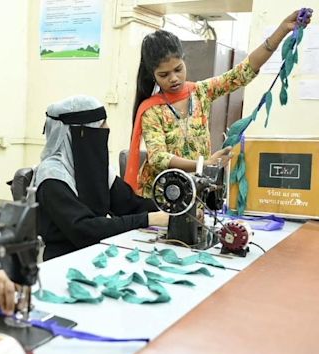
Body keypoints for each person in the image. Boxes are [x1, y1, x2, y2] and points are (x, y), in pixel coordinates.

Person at [125, 9, 313, 198]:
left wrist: (282, 30)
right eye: (164, 75)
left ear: (184, 61)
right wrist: (204, 164)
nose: (174, 79)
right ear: (153, 75)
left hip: (196, 191)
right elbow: (158, 157)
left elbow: (242, 73)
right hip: (162, 197)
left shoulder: (200, 92)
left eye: (178, 69)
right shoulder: (152, 110)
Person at [34, 94, 168, 261]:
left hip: (98, 253)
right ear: (80, 133)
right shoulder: (51, 177)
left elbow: (130, 205)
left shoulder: (93, 168)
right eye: (100, 125)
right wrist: (148, 219)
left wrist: (173, 210)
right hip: (64, 261)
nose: (106, 129)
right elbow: (84, 229)